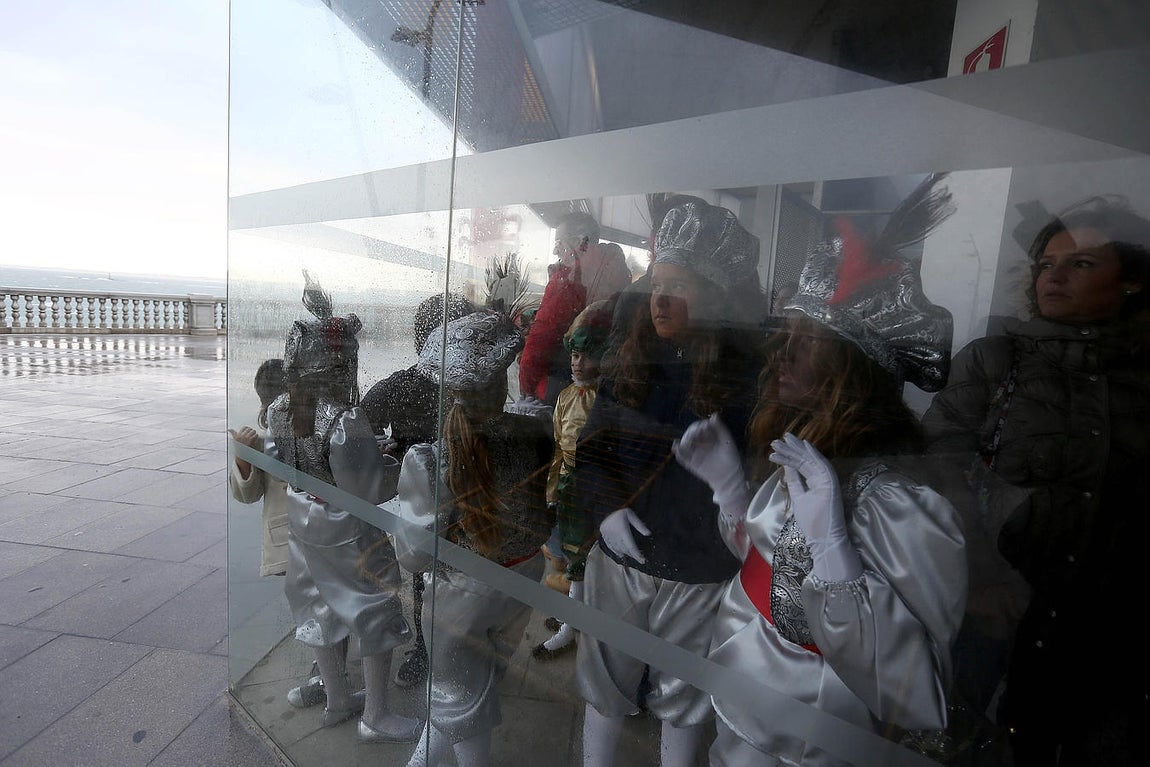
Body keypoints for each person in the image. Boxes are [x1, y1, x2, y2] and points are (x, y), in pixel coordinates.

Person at [675, 173, 968, 766]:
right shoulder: (805, 459)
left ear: (851, 372)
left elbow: (917, 692)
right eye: (786, 336)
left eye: (807, 343)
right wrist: (731, 488)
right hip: (744, 710)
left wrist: (836, 551)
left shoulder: (898, 504)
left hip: (811, 741)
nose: (781, 355)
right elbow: (768, 570)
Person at [921, 195, 1150, 766]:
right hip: (992, 616)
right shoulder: (995, 362)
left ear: (1131, 282)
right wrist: (977, 580)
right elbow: (935, 471)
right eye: (1047, 264)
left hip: (1101, 636)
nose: (1056, 277)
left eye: (1082, 263)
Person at [574, 199, 765, 767]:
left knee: (684, 703)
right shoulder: (634, 359)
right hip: (622, 562)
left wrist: (734, 493)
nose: (660, 298)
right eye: (658, 282)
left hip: (701, 571)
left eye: (678, 284)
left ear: (714, 293)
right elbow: (593, 447)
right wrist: (607, 508)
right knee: (604, 685)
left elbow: (765, 492)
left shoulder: (747, 379)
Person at [393, 308, 554, 767]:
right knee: (480, 680)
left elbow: (415, 556)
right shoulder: (536, 433)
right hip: (523, 576)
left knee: (457, 694)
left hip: (461, 593)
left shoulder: (430, 462)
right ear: (502, 384)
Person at [266, 271, 422, 744]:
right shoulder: (344, 416)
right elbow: (369, 490)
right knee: (373, 605)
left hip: (302, 517)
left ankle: (336, 699)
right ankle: (375, 714)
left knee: (318, 606)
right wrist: (396, 462)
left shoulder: (278, 407)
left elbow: (280, 461)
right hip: (345, 526)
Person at [360, 291, 476, 690]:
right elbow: (361, 424)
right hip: (444, 501)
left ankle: (431, 652)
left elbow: (357, 423)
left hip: (438, 504)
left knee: (431, 578)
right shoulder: (417, 385)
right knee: (439, 578)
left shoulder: (409, 385)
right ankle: (438, 652)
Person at [230, 358, 340, 709]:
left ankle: (325, 677)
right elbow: (247, 494)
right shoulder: (263, 442)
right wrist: (244, 459)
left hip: (323, 535)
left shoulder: (316, 434)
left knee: (327, 607)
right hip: (289, 541)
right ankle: (325, 674)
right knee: (312, 610)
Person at [532, 299, 614, 661]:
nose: (578, 363)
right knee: (566, 553)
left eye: (586, 355)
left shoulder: (608, 401)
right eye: (574, 356)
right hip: (567, 486)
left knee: (587, 559)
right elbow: (558, 450)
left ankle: (575, 625)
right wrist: (550, 491)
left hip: (596, 490)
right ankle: (572, 614)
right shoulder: (565, 397)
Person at [518, 211, 631, 406]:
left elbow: (541, 338)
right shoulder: (617, 273)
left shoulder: (569, 280)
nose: (555, 251)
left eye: (559, 243)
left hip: (563, 386)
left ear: (580, 242)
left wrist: (526, 386)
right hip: (606, 385)